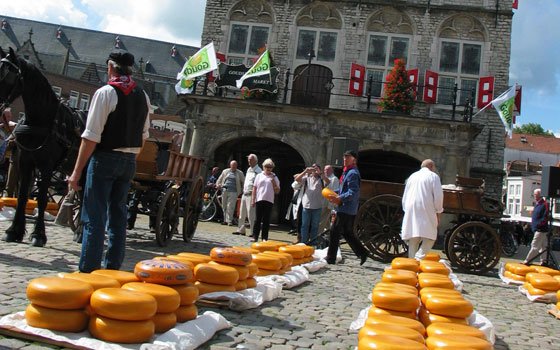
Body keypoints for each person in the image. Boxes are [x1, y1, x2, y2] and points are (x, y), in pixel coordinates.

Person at [68, 49, 150, 273]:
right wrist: (129, 158)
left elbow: (90, 136)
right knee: (118, 216)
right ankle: (112, 268)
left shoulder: (105, 92)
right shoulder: (143, 95)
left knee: (94, 216)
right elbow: (144, 136)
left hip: (105, 158)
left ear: (111, 67)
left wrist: (76, 173)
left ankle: (89, 270)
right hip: (129, 160)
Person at [325, 150, 369, 265]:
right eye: (344, 158)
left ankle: (331, 258)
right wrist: (334, 194)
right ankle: (363, 252)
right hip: (347, 207)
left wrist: (339, 198)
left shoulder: (352, 173)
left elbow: (353, 192)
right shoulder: (347, 172)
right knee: (347, 233)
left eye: (347, 158)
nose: (344, 160)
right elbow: (343, 189)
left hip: (346, 208)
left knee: (334, 231)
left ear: (354, 160)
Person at [401, 159, 444, 260]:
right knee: (430, 237)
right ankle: (419, 257)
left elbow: (405, 194)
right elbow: (438, 196)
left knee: (414, 235)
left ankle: (411, 260)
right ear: (432, 167)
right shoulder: (433, 176)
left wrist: (406, 209)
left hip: (410, 206)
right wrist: (439, 211)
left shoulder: (412, 176)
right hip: (426, 207)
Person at [295, 163, 330, 246]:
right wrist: (305, 171)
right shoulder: (307, 178)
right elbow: (297, 179)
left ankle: (313, 242)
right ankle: (304, 241)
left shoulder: (321, 179)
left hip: (317, 206)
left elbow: (328, 182)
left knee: (315, 226)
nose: (314, 170)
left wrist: (320, 173)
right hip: (306, 205)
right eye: (313, 168)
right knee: (305, 225)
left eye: (316, 168)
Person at [251, 158, 280, 242]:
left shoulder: (275, 177)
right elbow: (254, 188)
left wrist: (273, 182)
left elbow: (277, 191)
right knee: (257, 219)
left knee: (266, 220)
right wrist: (253, 200)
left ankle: (264, 237)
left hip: (269, 200)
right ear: (263, 167)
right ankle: (255, 236)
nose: (268, 168)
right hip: (260, 199)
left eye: (270, 167)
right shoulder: (259, 176)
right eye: (267, 167)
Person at [234, 154, 262, 235]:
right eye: (248, 159)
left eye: (250, 159)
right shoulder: (249, 169)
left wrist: (255, 196)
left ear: (255, 161)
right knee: (241, 213)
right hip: (245, 193)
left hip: (251, 194)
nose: (249, 161)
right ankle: (240, 229)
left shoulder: (258, 171)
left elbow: (258, 184)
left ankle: (253, 232)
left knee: (251, 215)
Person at [523, 188, 549, 265]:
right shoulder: (537, 204)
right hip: (538, 228)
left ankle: (528, 260)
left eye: (535, 194)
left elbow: (545, 217)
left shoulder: (544, 204)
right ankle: (543, 261)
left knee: (534, 245)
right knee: (543, 246)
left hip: (540, 229)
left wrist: (538, 225)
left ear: (539, 195)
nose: (534, 196)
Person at [216, 160, 245, 226]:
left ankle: (229, 221)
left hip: (234, 191)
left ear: (236, 166)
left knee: (230, 206)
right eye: (232, 166)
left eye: (235, 166)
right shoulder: (225, 171)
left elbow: (243, 182)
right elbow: (220, 179)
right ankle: (224, 220)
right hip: (224, 190)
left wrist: (242, 190)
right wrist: (218, 184)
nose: (234, 167)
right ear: (230, 165)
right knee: (224, 205)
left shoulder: (240, 173)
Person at [319, 164, 340, 233]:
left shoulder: (335, 179)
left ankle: (318, 235)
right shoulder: (323, 178)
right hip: (322, 202)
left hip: (328, 203)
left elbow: (335, 191)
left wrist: (331, 205)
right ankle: (329, 234)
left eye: (327, 170)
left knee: (322, 220)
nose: (326, 171)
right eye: (325, 169)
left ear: (332, 170)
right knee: (326, 221)